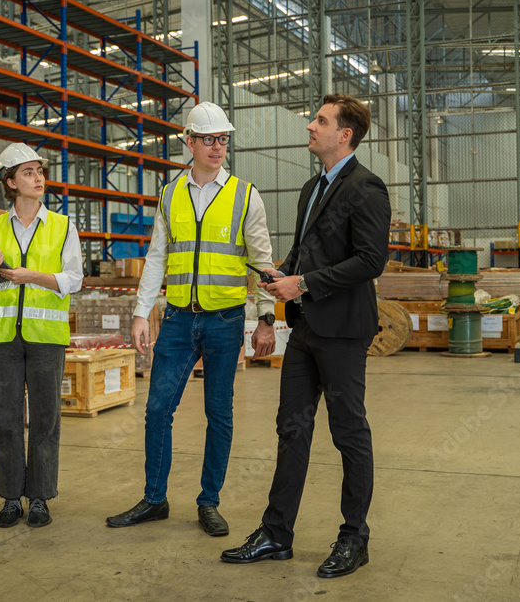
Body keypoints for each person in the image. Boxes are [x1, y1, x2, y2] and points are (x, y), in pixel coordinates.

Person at [220, 94, 391, 578]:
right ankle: (277, 534)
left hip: (343, 332)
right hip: (307, 328)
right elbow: (306, 251)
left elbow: (370, 260)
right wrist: (280, 274)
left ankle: (354, 538)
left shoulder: (366, 188)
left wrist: (306, 283)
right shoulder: (310, 188)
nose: (310, 125)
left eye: (321, 120)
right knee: (290, 431)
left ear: (345, 135)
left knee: (348, 433)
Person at [106, 101, 277, 537]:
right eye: (209, 139)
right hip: (180, 320)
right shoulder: (169, 193)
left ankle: (209, 501)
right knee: (158, 408)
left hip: (224, 320)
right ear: (190, 141)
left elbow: (262, 263)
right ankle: (154, 498)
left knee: (219, 412)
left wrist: (266, 318)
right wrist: (142, 312)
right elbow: (157, 256)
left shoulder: (245, 194)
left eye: (223, 139)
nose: (218, 146)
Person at [0, 143, 84, 529]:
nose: (39, 178)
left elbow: (74, 279)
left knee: (46, 420)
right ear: (10, 182)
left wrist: (30, 275)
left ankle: (39, 498)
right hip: (2, 338)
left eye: (40, 171)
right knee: (4, 420)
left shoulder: (64, 226)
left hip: (46, 337)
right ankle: (9, 498)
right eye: (29, 173)